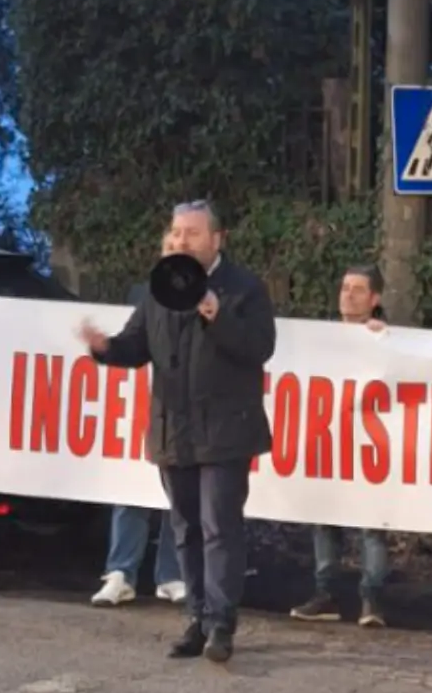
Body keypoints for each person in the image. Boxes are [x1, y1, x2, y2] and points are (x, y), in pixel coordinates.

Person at [79, 201, 276, 663]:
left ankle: (221, 624)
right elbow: (136, 345)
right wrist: (105, 348)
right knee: (185, 528)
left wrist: (217, 315)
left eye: (192, 232)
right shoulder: (159, 288)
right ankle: (197, 618)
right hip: (173, 429)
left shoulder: (244, 287)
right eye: (176, 232)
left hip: (225, 430)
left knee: (219, 527)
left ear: (217, 239)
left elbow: (259, 347)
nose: (181, 240)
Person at [291, 264, 392, 628]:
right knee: (324, 519)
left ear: (374, 298)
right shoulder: (322, 338)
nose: (348, 295)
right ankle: (326, 594)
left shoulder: (386, 339)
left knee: (371, 524)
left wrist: (385, 339)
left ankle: (372, 599)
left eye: (358, 289)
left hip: (370, 447)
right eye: (345, 287)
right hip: (330, 442)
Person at [92, 232, 186, 608]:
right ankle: (120, 572)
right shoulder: (146, 296)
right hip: (140, 410)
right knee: (129, 487)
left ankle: (172, 574)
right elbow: (132, 344)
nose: (175, 253)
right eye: (169, 247)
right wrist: (105, 348)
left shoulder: (214, 297)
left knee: (180, 495)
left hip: (189, 415)